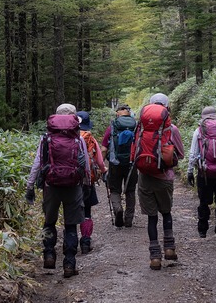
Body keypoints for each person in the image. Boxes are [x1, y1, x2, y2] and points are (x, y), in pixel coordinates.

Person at [25, 103, 90, 278]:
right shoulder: (78, 139)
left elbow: (37, 163)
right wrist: (87, 183)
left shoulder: (46, 138)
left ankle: (49, 255)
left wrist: (30, 186)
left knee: (49, 222)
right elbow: (86, 165)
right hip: (73, 186)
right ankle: (69, 264)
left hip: (50, 186)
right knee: (70, 225)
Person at [132, 93, 185, 270]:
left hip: (145, 178)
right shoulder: (172, 130)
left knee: (152, 218)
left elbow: (134, 153)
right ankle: (169, 248)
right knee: (166, 213)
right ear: (166, 108)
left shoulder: (139, 129)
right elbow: (181, 154)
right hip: (165, 178)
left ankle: (155, 257)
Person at [187, 106, 216, 242]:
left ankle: (202, 230)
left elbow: (193, 153)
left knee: (204, 202)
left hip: (204, 172)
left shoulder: (200, 130)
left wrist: (190, 171)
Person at [76, 110, 108, 254]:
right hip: (86, 180)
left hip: (70, 180)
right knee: (87, 211)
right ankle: (85, 241)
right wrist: (104, 170)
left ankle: (68, 241)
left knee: (70, 211)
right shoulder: (91, 139)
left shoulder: (67, 137)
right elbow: (100, 161)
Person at [101, 104, 138, 228]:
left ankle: (118, 209)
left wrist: (102, 165)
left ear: (118, 113)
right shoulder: (136, 126)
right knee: (131, 190)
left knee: (115, 189)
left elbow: (104, 148)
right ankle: (128, 220)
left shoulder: (112, 126)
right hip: (132, 164)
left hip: (115, 163)